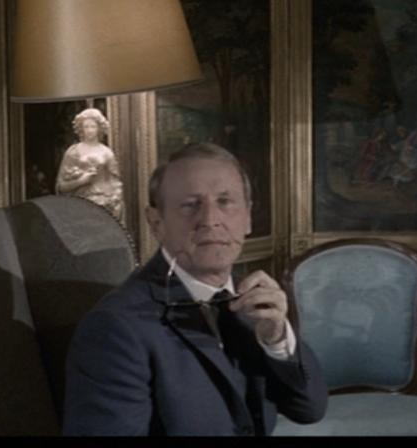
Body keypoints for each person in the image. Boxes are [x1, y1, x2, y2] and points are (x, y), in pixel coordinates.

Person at [64, 142, 327, 435]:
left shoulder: (253, 302)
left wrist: (276, 340)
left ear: (248, 217)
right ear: (156, 223)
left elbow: (309, 409)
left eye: (225, 201)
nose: (210, 220)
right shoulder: (115, 328)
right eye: (190, 205)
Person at [55, 107, 124, 220]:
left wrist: (115, 202)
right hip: (80, 207)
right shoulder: (73, 152)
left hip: (104, 206)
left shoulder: (107, 153)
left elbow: (115, 183)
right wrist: (81, 181)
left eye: (93, 126)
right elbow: (61, 186)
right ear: (81, 128)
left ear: (99, 128)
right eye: (86, 126)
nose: (89, 130)